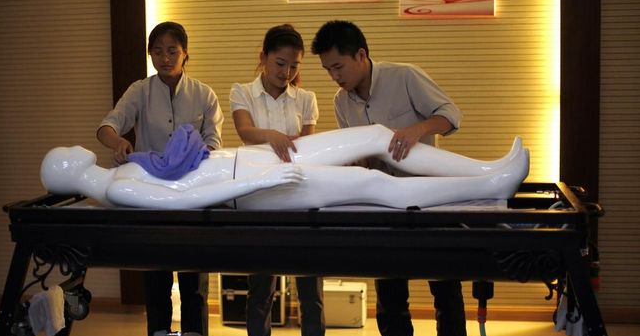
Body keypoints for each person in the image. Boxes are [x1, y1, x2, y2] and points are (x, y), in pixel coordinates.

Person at [310, 20, 469, 336]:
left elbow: (452, 116)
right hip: (382, 202)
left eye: (339, 67)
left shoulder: (405, 77)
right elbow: (360, 153)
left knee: (445, 290)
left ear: (361, 55)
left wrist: (416, 130)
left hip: (428, 196)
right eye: (328, 70)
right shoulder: (340, 103)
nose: (335, 77)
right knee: (389, 293)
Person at [95, 21, 224, 336]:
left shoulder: (204, 94)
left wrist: (194, 159)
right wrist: (117, 141)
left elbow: (214, 142)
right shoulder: (140, 91)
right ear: (150, 54)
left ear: (186, 54)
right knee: (155, 286)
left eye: (172, 50)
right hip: (150, 196)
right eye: (157, 50)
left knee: (194, 287)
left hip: (192, 196)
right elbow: (108, 125)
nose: (164, 57)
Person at [42, 124, 528, 211]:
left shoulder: (120, 171)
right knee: (374, 182)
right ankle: (490, 185)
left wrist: (256, 165)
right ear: (65, 170)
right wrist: (262, 179)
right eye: (62, 152)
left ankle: (489, 167)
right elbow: (186, 199)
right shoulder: (121, 190)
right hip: (253, 186)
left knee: (378, 136)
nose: (69, 146)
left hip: (243, 161)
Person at [229, 24, 332, 336]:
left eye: (293, 66)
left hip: (300, 195)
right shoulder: (242, 91)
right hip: (259, 201)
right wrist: (273, 136)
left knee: (311, 290)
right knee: (261, 289)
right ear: (263, 58)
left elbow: (308, 144)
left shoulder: (306, 98)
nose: (285, 72)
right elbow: (244, 132)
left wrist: (284, 142)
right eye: (279, 63)